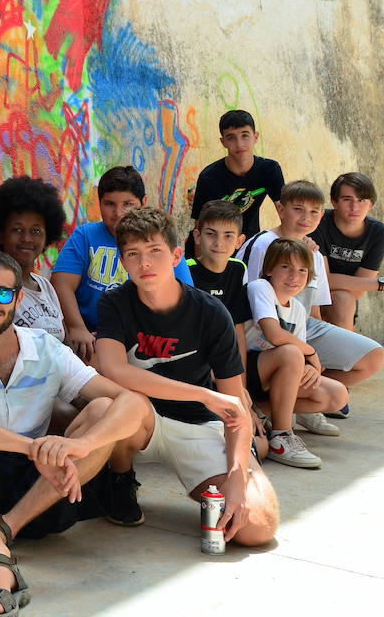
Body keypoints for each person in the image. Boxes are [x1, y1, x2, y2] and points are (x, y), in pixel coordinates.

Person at [0, 250, 150, 617]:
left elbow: (132, 403)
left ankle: (7, 528)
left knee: (103, 409)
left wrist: (77, 445)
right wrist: (33, 447)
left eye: (2, 294)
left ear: (19, 298)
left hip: (39, 488)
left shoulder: (46, 349)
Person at [95, 207, 279, 549]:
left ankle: (231, 485)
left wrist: (238, 479)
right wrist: (202, 395)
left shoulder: (210, 312)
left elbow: (234, 404)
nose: (144, 263)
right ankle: (119, 479)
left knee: (257, 528)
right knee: (110, 404)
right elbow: (113, 368)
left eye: (155, 252)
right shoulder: (114, 303)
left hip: (198, 426)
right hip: (140, 420)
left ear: (177, 254)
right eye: (133, 254)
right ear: (123, 262)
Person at [237, 180, 384, 433]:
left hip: (301, 328)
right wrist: (307, 353)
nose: (307, 218)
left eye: (315, 211)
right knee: (294, 355)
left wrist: (312, 356)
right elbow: (249, 302)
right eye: (298, 209)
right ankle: (281, 408)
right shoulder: (263, 244)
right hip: (264, 331)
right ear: (281, 210)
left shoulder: (314, 253)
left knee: (373, 357)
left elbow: (313, 310)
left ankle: (301, 402)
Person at [50, 165, 194, 363]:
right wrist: (77, 327)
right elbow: (61, 283)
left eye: (128, 203)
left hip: (148, 337)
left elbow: (185, 297)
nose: (118, 212)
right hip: (93, 336)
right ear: (98, 203)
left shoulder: (160, 243)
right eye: (109, 204)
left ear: (143, 203)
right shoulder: (86, 236)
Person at [242, 238, 349, 469]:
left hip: (275, 377)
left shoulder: (298, 309)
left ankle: (261, 412)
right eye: (286, 267)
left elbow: (297, 350)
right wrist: (310, 353)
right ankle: (281, 436)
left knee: (337, 395)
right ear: (269, 269)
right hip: (247, 370)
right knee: (291, 353)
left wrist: (310, 367)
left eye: (302, 270)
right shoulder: (260, 287)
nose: (294, 276)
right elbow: (274, 334)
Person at [185, 199, 268, 460]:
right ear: (197, 236)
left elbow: (237, 332)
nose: (219, 243)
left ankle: (255, 415)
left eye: (228, 236)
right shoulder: (186, 272)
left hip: (225, 368)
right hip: (195, 371)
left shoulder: (237, 269)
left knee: (260, 447)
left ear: (239, 241)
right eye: (211, 234)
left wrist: (239, 391)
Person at [311, 172, 384, 330]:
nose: (354, 207)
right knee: (343, 301)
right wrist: (382, 284)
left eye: (362, 200)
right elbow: (324, 280)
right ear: (334, 202)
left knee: (344, 300)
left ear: (371, 204)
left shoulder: (379, 233)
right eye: (347, 199)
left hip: (345, 302)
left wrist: (359, 286)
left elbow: (359, 291)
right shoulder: (318, 222)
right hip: (308, 295)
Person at [0, 176, 69, 342]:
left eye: (36, 231)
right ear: (0, 235)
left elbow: (66, 346)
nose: (27, 238)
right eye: (17, 229)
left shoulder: (45, 286)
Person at [189, 109, 285, 245]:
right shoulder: (209, 177)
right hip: (217, 248)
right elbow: (200, 224)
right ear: (223, 142)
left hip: (249, 245)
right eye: (231, 137)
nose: (239, 144)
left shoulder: (269, 170)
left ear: (255, 137)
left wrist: (296, 240)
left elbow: (285, 213)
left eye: (245, 135)